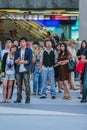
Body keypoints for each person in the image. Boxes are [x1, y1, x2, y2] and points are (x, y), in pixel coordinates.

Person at [14, 37, 32, 103]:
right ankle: (19, 98)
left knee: (27, 84)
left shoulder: (29, 50)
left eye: (23, 41)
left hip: (26, 69)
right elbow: (15, 61)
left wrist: (21, 62)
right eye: (21, 41)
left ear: (26, 42)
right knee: (19, 85)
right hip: (18, 70)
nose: (22, 43)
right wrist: (17, 60)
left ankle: (28, 98)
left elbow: (29, 61)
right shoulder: (17, 50)